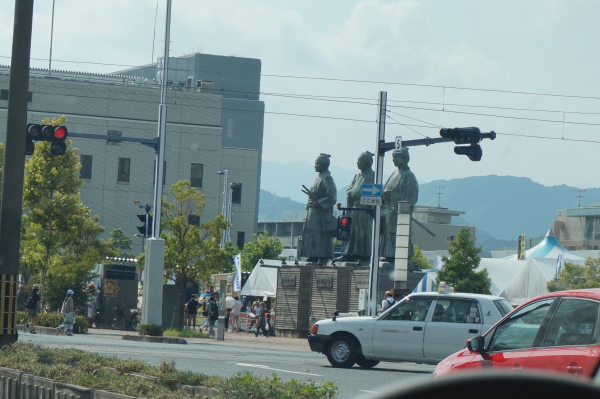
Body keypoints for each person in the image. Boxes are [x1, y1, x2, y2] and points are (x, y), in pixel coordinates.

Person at [297, 153, 337, 263]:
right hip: (312, 212)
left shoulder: (328, 178)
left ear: (323, 165)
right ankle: (312, 255)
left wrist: (319, 202)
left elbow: (332, 197)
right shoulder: (317, 178)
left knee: (320, 236)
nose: (315, 166)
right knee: (311, 235)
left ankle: (321, 256)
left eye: (317, 164)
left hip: (321, 214)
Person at [380, 149, 418, 262]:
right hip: (389, 212)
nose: (394, 160)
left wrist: (402, 207)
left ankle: (402, 258)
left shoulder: (409, 176)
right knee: (388, 234)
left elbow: (412, 197)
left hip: (400, 214)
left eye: (396, 157)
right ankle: (389, 255)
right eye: (393, 157)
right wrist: (385, 196)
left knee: (400, 235)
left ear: (404, 158)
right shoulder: (393, 174)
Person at [338, 151, 375, 262]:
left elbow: (369, 194)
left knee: (362, 233)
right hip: (354, 209)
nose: (357, 163)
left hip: (365, 211)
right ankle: (349, 254)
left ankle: (363, 255)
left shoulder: (372, 175)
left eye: (359, 161)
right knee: (351, 232)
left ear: (367, 162)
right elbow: (349, 189)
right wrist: (352, 193)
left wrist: (356, 193)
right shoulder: (357, 175)